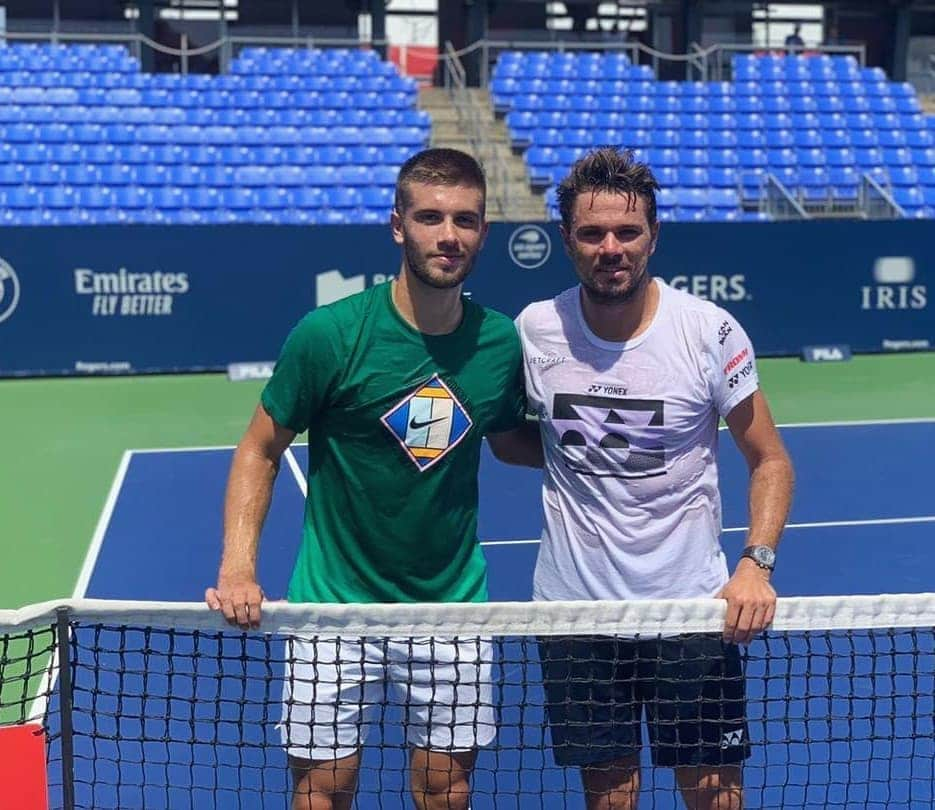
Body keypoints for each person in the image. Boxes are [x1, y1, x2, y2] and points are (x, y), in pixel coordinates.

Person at [205, 148, 530, 810]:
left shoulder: (499, 345)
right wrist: (238, 567)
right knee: (324, 790)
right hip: (331, 606)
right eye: (430, 217)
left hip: (451, 608)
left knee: (446, 790)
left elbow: (509, 441)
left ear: (483, 232)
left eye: (465, 220)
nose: (448, 235)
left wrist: (620, 449)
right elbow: (260, 447)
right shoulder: (329, 335)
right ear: (397, 225)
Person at [496, 147, 795, 809]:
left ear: (652, 237)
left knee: (713, 793)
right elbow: (509, 440)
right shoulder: (534, 330)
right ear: (565, 240)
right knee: (609, 795)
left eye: (627, 232)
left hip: (690, 611)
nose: (610, 247)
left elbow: (768, 458)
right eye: (591, 233)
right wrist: (586, 451)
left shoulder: (708, 331)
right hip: (576, 612)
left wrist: (755, 565)